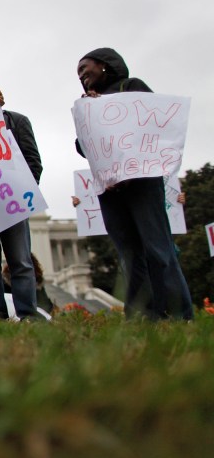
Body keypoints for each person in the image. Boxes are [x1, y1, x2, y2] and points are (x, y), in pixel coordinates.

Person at [75, 48, 192, 320]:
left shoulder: (132, 87)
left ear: (106, 65)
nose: (81, 75)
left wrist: (106, 108)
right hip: (111, 188)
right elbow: (83, 147)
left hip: (140, 182)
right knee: (129, 254)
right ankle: (142, 315)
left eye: (85, 68)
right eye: (78, 73)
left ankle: (178, 313)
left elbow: (151, 124)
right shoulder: (88, 104)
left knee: (158, 248)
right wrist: (91, 116)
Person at [0, 94, 44, 320]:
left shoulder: (16, 121)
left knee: (20, 261)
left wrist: (23, 194)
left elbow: (33, 161)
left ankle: (28, 314)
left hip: (12, 203)